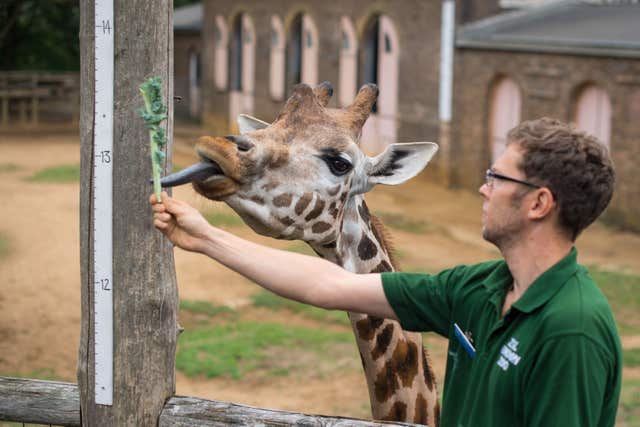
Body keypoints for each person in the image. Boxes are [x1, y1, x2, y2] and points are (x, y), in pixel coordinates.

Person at [150, 117, 621, 427]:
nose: (482, 188)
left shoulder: (571, 328)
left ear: (539, 203)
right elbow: (332, 285)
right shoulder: (481, 287)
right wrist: (204, 238)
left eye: (497, 178)